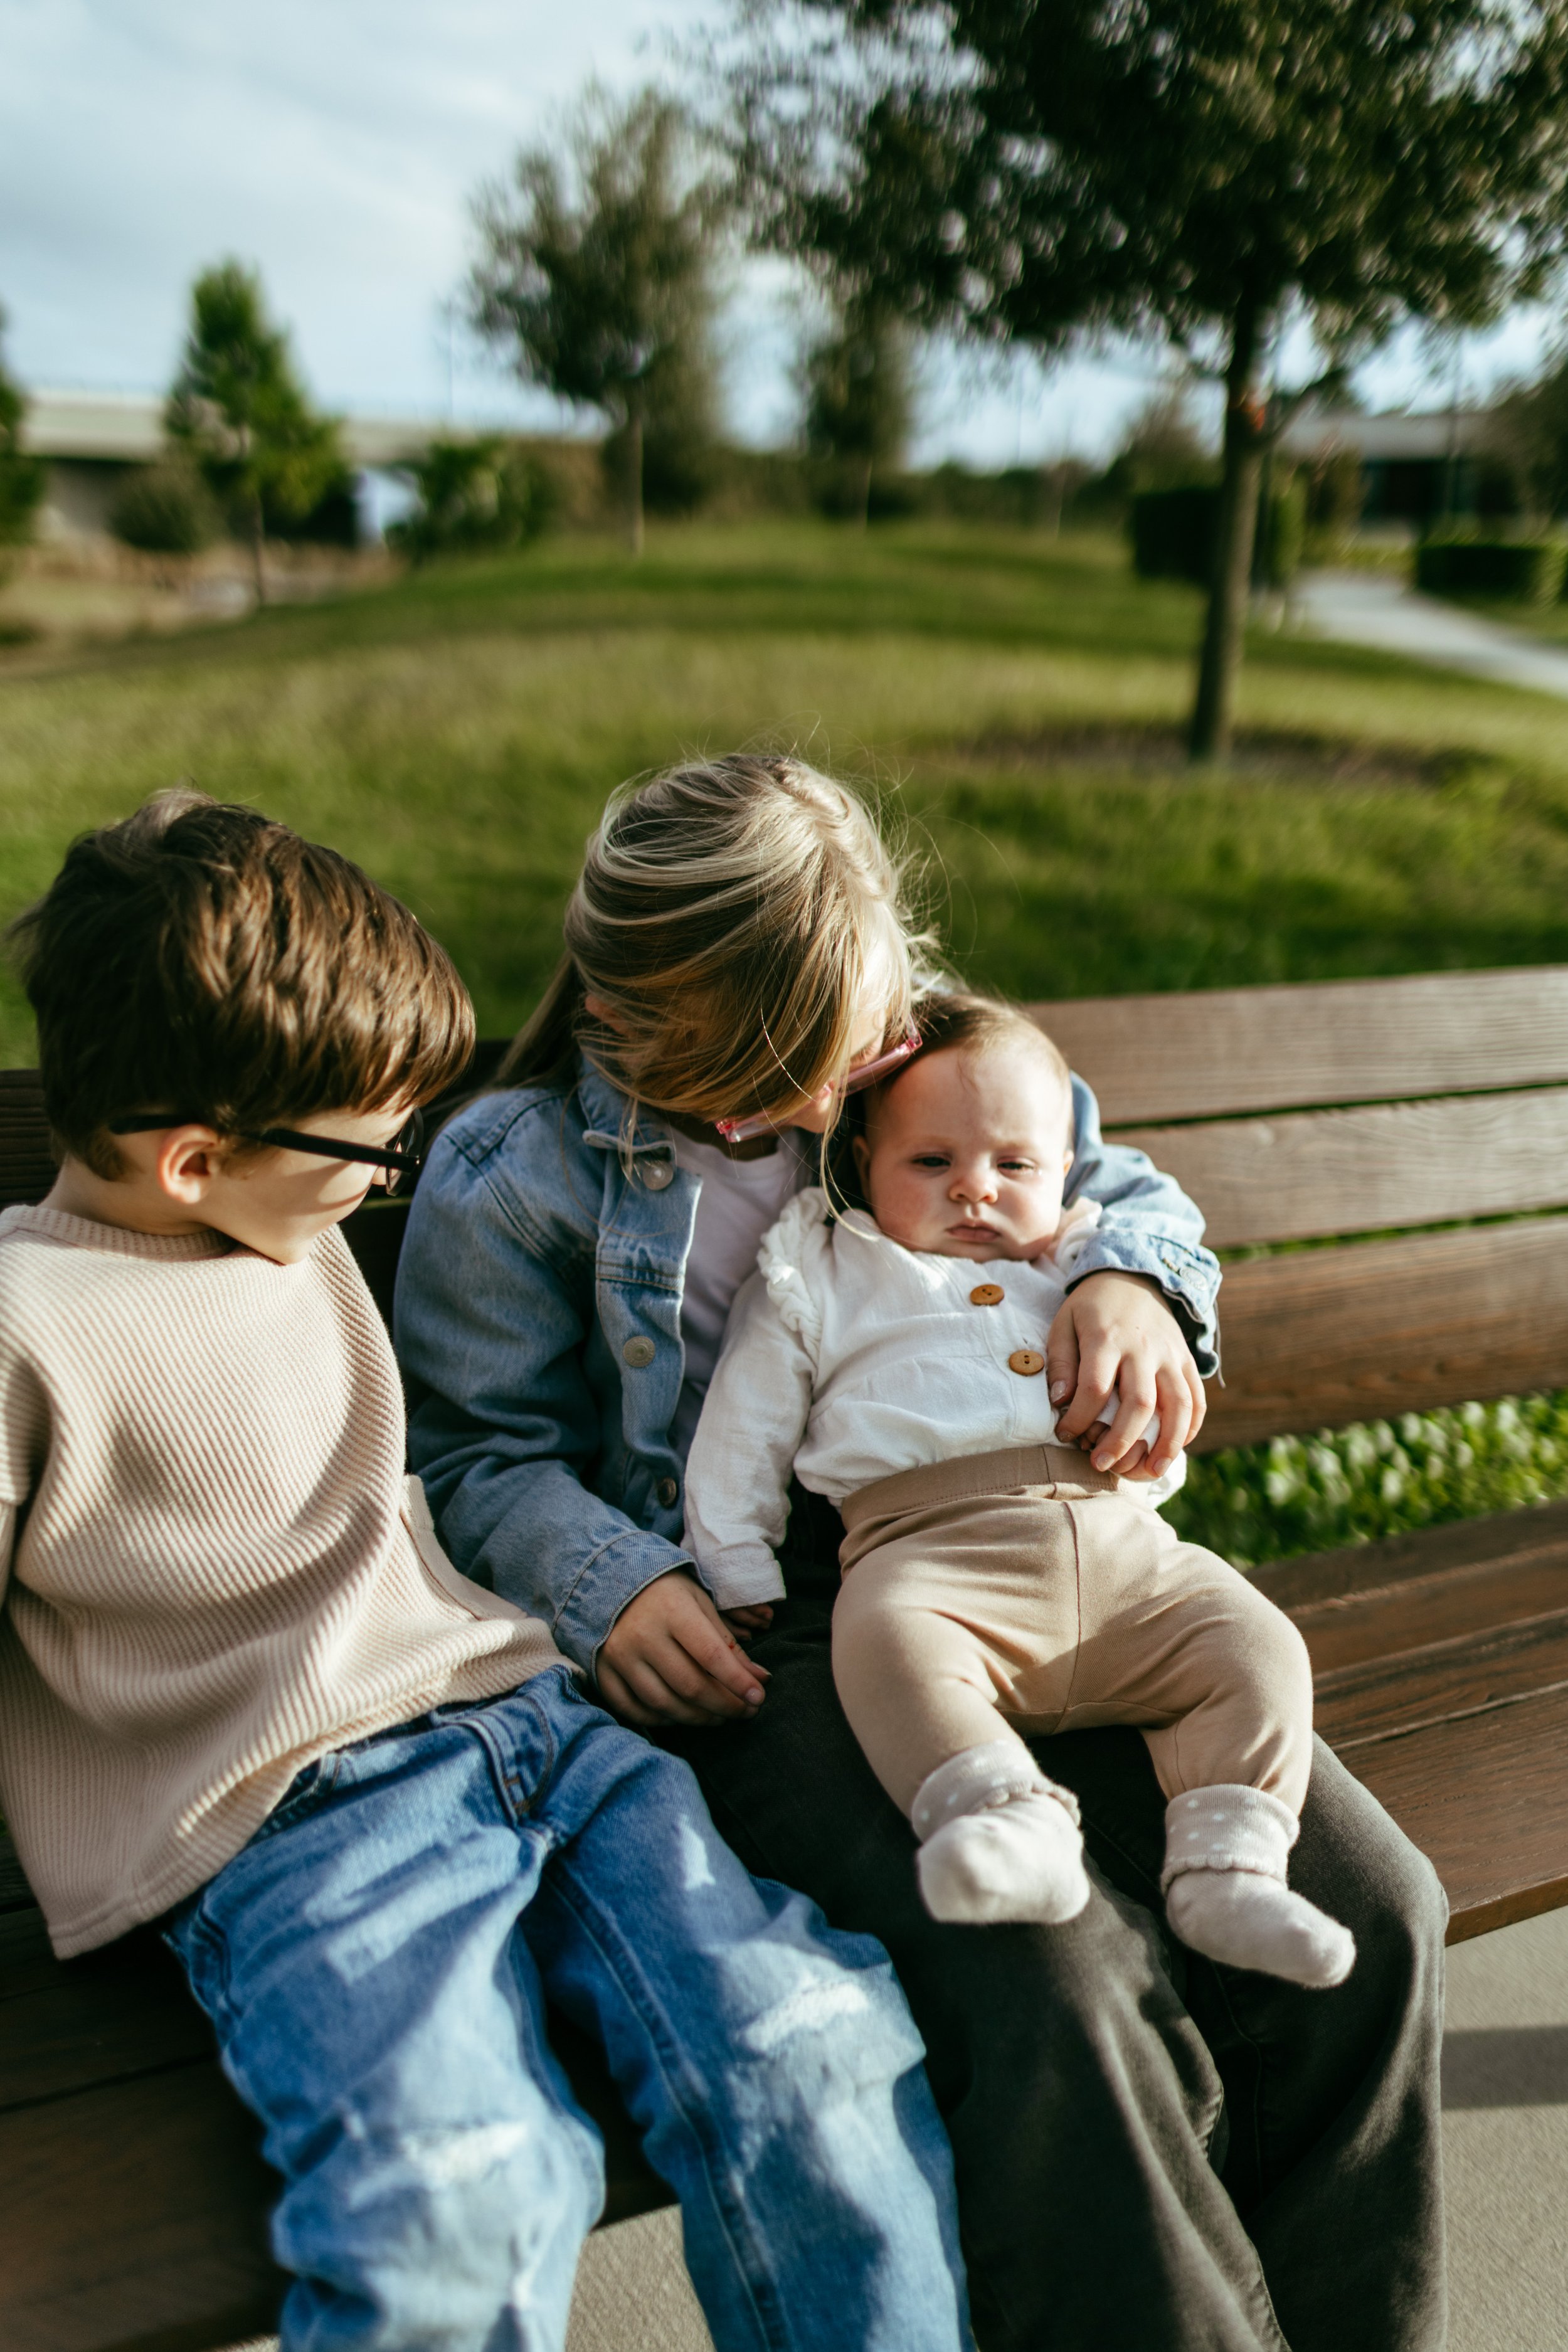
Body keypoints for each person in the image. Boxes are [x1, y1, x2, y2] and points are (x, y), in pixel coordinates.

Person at [396, 752, 1448, 2352]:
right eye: (786, 1081)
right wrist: (618, 1585)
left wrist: (1129, 1283)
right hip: (785, 1636)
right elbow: (474, 1458)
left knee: (1370, 1906)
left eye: (861, 1045)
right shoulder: (515, 1177)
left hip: (1053, 1565)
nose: (842, 1105)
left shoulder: (919, 1044)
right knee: (1057, 1980)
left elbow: (1111, 1185)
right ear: (638, 1029)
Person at [0, 791, 972, 2352]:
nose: (392, 1176)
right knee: (466, 2191)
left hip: (542, 1729)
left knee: (811, 2048)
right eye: (369, 1156)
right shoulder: (28, 1315)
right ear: (191, 1160)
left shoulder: (286, 1225)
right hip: (293, 1823)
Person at [683, 990, 1355, 1989]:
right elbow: (744, 1420)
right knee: (884, 1647)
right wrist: (733, 1556)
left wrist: (1141, 1401)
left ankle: (1231, 1867)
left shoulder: (1091, 1255)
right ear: (863, 1161)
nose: (974, 1192)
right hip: (928, 1561)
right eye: (931, 1163)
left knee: (1257, 1646)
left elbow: (1151, 1398)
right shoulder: (820, 1267)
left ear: (1064, 1172)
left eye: (1013, 1167)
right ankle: (1005, 1821)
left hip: (1125, 1559)